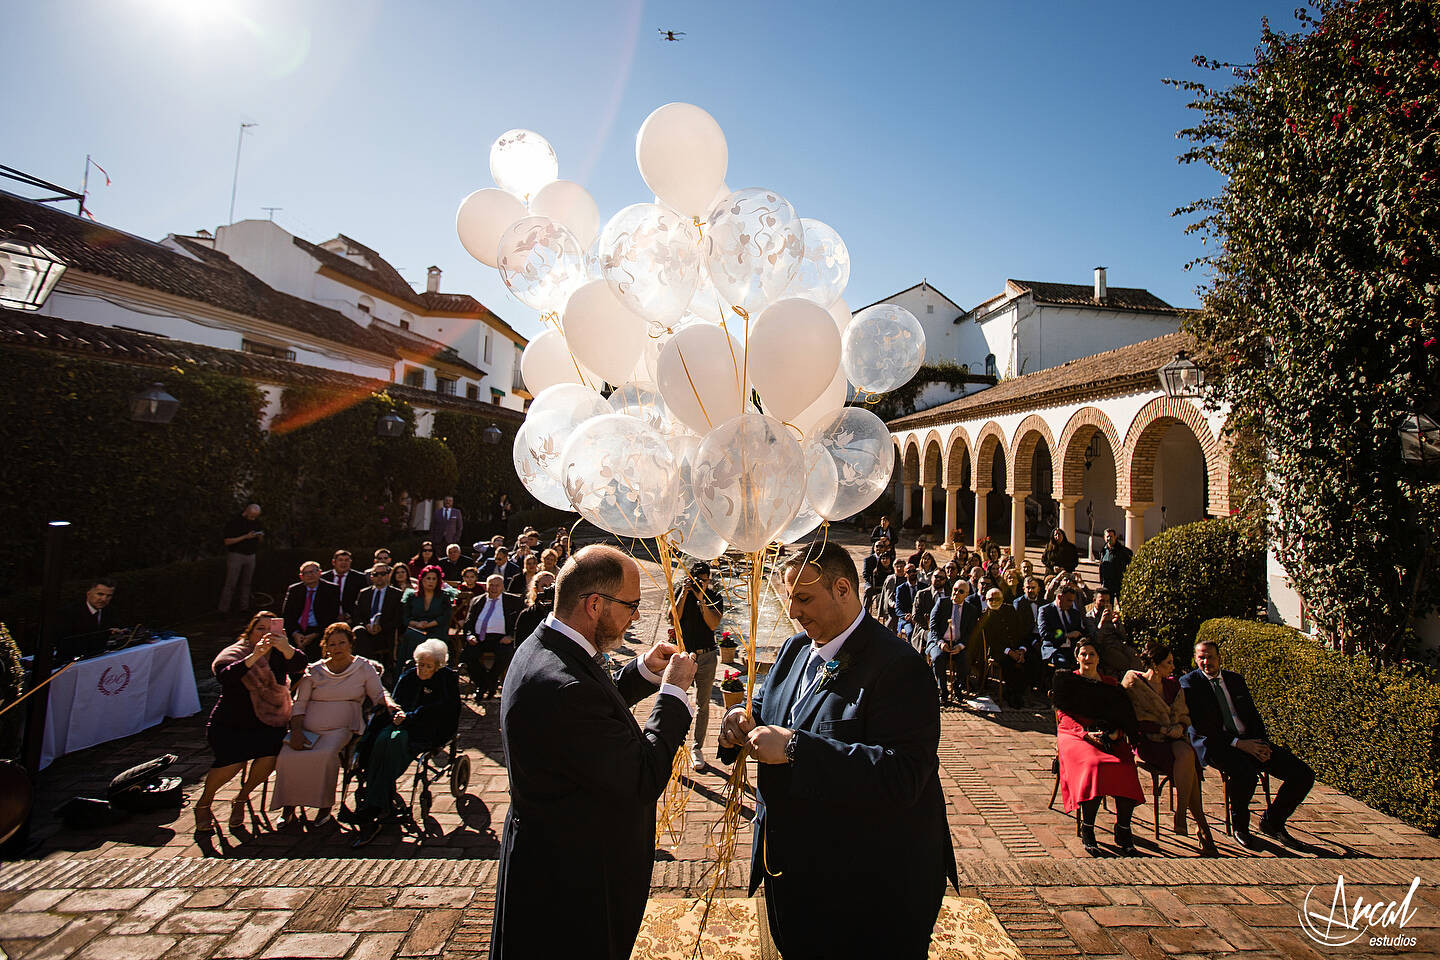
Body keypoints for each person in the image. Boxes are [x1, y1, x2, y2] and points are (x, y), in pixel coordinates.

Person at [717, 540, 956, 958]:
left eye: (804, 598)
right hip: (791, 873)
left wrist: (797, 750)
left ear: (843, 589)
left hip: (866, 890)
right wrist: (737, 719)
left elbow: (903, 775)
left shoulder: (899, 667)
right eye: (789, 599)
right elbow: (770, 705)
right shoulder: (795, 649)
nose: (793, 613)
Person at [491, 545, 695, 960]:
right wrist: (673, 695)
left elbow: (588, 709)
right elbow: (642, 778)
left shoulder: (546, 644)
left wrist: (643, 671)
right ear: (595, 604)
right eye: (632, 606)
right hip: (569, 884)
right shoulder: (563, 686)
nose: (636, 616)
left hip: (555, 859)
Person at [1180, 640, 1315, 850]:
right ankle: (1240, 827)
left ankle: (1273, 820)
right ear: (1195, 659)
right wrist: (1239, 744)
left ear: (1219, 657)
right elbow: (1204, 727)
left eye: (1211, 657)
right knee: (1246, 774)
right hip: (1216, 744)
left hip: (1249, 740)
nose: (1207, 662)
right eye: (1201, 658)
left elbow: (1252, 716)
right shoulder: (1189, 684)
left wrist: (1261, 744)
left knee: (1303, 774)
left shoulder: (1235, 680)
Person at [271, 622, 394, 828]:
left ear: (350, 644)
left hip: (342, 726)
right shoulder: (314, 670)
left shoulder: (363, 667)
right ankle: (288, 807)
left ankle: (324, 807)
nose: (337, 648)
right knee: (288, 755)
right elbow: (300, 703)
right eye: (332, 644)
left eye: (341, 643)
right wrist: (298, 731)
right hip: (309, 727)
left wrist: (391, 704)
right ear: (325, 646)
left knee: (326, 755)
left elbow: (378, 694)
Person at [193, 611, 305, 834]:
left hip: (269, 719)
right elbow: (225, 675)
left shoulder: (280, 652)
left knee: (270, 755)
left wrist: (286, 647)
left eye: (269, 629)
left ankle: (241, 799)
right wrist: (254, 656)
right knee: (232, 762)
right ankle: (204, 803)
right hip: (232, 719)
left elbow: (300, 665)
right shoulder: (238, 651)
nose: (264, 634)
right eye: (259, 629)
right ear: (250, 632)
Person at [345, 638, 461, 847]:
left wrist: (411, 717)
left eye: (427, 666)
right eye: (420, 664)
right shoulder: (409, 676)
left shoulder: (445, 681)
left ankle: (374, 804)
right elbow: (397, 702)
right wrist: (399, 714)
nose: (422, 669)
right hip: (402, 723)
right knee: (380, 739)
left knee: (397, 740)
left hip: (424, 729)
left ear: (437, 666)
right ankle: (378, 795)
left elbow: (442, 710)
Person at [1122, 642, 1218, 856]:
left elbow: (1184, 715)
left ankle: (1181, 813)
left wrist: (1179, 727)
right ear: (1155, 665)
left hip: (1173, 738)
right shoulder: (1134, 683)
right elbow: (1132, 718)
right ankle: (1202, 827)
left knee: (1187, 753)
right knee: (1189, 763)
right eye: (1168, 663)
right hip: (1148, 741)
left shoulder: (1173, 685)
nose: (1173, 667)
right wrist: (1162, 728)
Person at [1052, 638, 1145, 856]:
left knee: (1125, 767)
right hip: (1075, 734)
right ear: (1077, 657)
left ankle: (1123, 829)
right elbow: (1063, 716)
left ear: (1098, 658)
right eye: (1083, 654)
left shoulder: (1111, 685)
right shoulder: (1066, 681)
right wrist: (1085, 734)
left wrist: (1116, 732)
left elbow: (1124, 716)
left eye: (1092, 654)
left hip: (1107, 735)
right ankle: (1088, 829)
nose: (1088, 658)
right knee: (1094, 765)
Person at [673, 561, 723, 773]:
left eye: (705, 580)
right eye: (698, 580)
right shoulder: (682, 592)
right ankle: (674, 745)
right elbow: (672, 617)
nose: (701, 584)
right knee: (676, 701)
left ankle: (697, 748)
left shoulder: (714, 597)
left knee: (702, 705)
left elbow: (713, 624)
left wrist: (702, 600)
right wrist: (684, 594)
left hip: (707, 655)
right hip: (684, 655)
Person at [464, 574, 522, 702]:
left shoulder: (513, 601)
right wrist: (470, 635)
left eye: (497, 585)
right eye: (491, 585)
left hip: (502, 638)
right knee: (468, 655)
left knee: (505, 654)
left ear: (503, 587)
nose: (494, 588)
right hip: (479, 638)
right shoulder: (477, 600)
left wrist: (511, 637)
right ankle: (486, 684)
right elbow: (468, 623)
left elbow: (520, 622)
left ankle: (486, 684)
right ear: (486, 586)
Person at [971, 587, 1026, 708]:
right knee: (1008, 663)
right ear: (986, 600)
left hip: (1016, 648)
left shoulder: (1010, 610)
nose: (994, 602)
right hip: (998, 651)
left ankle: (1023, 692)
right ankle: (1012, 694)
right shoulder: (985, 616)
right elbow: (992, 641)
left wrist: (1021, 650)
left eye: (997, 599)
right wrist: (1010, 652)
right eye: (991, 599)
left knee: (1032, 659)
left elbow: (1019, 631)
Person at [282, 562, 341, 660]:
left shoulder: (331, 589)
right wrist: (295, 633)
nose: (310, 575)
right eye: (306, 573)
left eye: (313, 571)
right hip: (297, 630)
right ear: (301, 576)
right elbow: (287, 615)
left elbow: (331, 616)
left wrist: (314, 635)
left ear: (320, 573)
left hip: (319, 630)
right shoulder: (294, 590)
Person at [400, 565, 455, 670]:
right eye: (428, 578)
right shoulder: (412, 596)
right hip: (416, 629)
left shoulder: (444, 596)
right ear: (422, 580)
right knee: (411, 636)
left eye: (434, 579)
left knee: (430, 640)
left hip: (436, 629)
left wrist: (429, 624)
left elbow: (445, 617)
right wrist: (417, 624)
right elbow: (405, 618)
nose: (431, 582)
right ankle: (409, 671)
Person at [928, 581, 974, 704]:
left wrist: (960, 646)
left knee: (966, 658)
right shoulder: (942, 603)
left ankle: (958, 687)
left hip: (958, 644)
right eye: (955, 589)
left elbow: (971, 632)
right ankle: (943, 690)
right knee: (938, 658)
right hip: (940, 641)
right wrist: (940, 642)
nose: (956, 593)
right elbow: (933, 626)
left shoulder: (970, 609)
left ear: (966, 594)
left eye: (961, 592)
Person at [351, 563, 403, 671]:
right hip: (366, 631)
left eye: (383, 574)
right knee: (357, 631)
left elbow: (398, 619)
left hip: (386, 632)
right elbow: (357, 615)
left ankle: (375, 669)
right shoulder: (364, 593)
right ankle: (368, 667)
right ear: (371, 577)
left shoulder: (396, 594)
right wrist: (366, 625)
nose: (379, 577)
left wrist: (381, 627)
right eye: (375, 574)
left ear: (388, 575)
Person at [57, 578, 124, 660]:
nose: (104, 599)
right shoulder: (69, 613)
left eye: (108, 596)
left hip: (100, 658)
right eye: (100, 594)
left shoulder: (110, 610)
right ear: (88, 594)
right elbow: (65, 643)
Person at [1086, 587, 1142, 678]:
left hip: (1119, 644)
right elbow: (1096, 640)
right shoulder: (1089, 618)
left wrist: (1117, 623)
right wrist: (1102, 623)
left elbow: (1123, 636)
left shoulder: (1111, 614)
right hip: (1105, 648)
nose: (1105, 604)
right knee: (1126, 664)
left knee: (1137, 659)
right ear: (1094, 600)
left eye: (1107, 601)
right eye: (1102, 601)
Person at [219, 503, 263, 615]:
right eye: (252, 515)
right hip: (236, 555)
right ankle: (223, 609)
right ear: (246, 511)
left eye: (255, 516)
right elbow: (227, 541)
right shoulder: (235, 523)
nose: (253, 518)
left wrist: (259, 537)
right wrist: (245, 537)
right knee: (231, 583)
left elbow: (259, 541)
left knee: (247, 583)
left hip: (251, 555)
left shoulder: (256, 523)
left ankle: (244, 608)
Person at [1038, 585, 1087, 669]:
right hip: (1054, 649)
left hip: (1072, 649)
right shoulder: (1045, 611)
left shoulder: (1074, 613)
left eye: (1072, 601)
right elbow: (1045, 634)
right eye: (1068, 600)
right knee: (1063, 664)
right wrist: (1066, 635)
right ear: (1059, 597)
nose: (1071, 604)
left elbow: (1080, 630)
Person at [514, 571, 556, 645]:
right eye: (543, 586)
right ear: (536, 589)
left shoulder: (563, 614)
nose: (548, 589)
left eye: (551, 586)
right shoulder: (527, 615)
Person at [323, 549, 363, 620]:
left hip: (350, 618)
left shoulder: (359, 578)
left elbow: (361, 601)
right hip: (327, 617)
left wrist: (350, 615)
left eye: (347, 560)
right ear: (333, 562)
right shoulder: (324, 577)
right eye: (340, 560)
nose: (344, 563)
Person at [1099, 528, 1134, 596]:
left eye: (1111, 536)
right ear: (1104, 538)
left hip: (1119, 584)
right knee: (1108, 605)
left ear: (1115, 537)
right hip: (1107, 584)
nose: (1109, 538)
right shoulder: (1103, 551)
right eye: (1107, 536)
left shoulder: (1123, 551)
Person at [894, 562, 922, 644]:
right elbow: (898, 609)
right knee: (910, 632)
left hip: (920, 620)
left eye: (914, 571)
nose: (912, 573)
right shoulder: (900, 589)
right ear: (905, 574)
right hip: (906, 620)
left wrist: (917, 617)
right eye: (909, 572)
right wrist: (907, 616)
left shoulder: (924, 587)